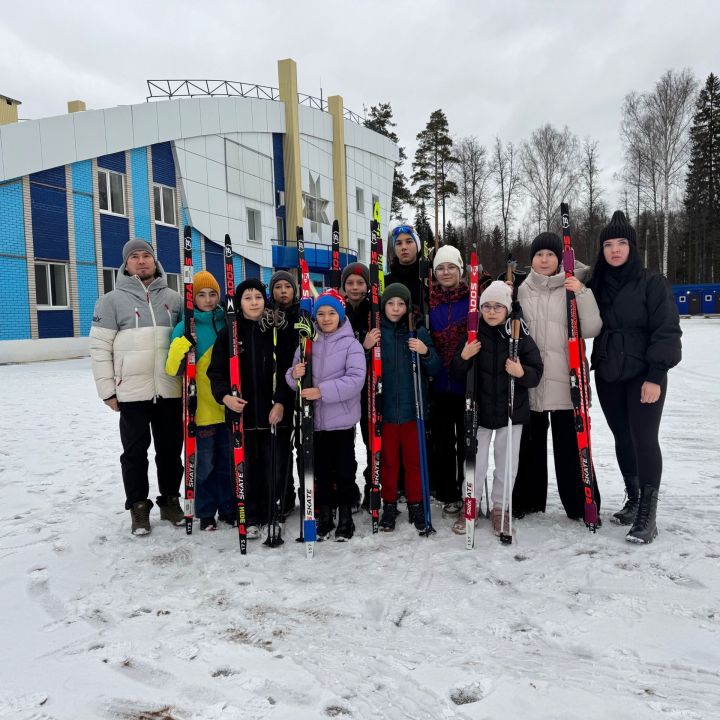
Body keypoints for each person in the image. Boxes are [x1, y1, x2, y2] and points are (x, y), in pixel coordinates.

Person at [589, 211, 682, 544]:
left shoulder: (651, 282)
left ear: (632, 247)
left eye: (621, 243)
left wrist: (656, 375)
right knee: (622, 436)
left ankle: (648, 514)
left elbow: (668, 330)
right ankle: (634, 497)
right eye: (609, 244)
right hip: (608, 371)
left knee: (644, 438)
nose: (615, 250)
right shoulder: (595, 282)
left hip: (643, 372)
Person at [90, 239, 184, 535]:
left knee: (170, 450)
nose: (142, 261)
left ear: (155, 262)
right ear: (126, 264)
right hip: (131, 391)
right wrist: (107, 390)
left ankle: (170, 500)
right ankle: (139, 507)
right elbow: (99, 348)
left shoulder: (175, 299)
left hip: (170, 389)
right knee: (134, 453)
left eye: (147, 256)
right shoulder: (110, 301)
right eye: (135, 257)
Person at [512, 232, 603, 521]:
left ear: (560, 259)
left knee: (570, 449)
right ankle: (528, 500)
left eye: (550, 254)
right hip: (531, 381)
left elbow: (592, 329)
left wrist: (582, 293)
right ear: (532, 259)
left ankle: (581, 504)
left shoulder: (572, 286)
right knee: (529, 447)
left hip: (567, 383)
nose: (544, 259)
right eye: (539, 254)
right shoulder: (521, 289)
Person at [451, 281, 543, 538]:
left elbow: (536, 372)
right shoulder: (472, 334)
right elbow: (456, 371)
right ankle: (470, 503)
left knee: (506, 464)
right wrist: (464, 356)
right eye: (487, 307)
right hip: (478, 412)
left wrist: (521, 371)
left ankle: (501, 509)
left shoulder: (518, 334)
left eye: (498, 307)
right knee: (475, 462)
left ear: (507, 309)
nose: (491, 312)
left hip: (511, 412)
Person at [207, 278, 295, 540]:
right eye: (248, 297)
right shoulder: (229, 333)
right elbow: (217, 372)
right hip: (243, 417)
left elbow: (289, 370)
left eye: (258, 296)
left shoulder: (277, 329)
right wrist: (225, 397)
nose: (254, 302)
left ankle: (272, 512)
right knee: (247, 468)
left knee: (274, 467)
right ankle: (250, 514)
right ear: (239, 302)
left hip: (273, 414)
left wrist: (281, 401)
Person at [286, 290, 366, 541]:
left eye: (332, 313)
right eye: (320, 313)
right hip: (315, 422)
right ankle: (325, 515)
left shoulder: (351, 344)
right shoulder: (307, 342)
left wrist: (321, 391)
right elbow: (292, 378)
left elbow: (355, 380)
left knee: (343, 472)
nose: (326, 318)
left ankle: (345, 517)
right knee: (320, 471)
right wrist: (294, 374)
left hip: (341, 422)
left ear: (340, 315)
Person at [166, 271, 234, 531]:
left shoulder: (228, 323)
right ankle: (205, 512)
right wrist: (179, 347)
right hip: (201, 409)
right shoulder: (186, 326)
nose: (207, 299)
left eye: (212, 294)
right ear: (192, 298)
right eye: (201, 295)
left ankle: (228, 507)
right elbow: (172, 369)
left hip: (227, 406)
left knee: (228, 463)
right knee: (204, 465)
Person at [377, 284, 441, 533]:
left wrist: (425, 352)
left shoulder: (417, 332)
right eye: (391, 304)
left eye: (400, 304)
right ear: (384, 306)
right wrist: (366, 346)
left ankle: (416, 503)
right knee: (389, 462)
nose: (395, 309)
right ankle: (389, 504)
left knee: (414, 461)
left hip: (413, 411)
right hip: (388, 413)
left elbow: (434, 368)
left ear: (407, 307)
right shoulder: (378, 332)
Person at [428, 245, 469, 517]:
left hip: (466, 383)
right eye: (440, 268)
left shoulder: (473, 298)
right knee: (442, 442)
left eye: (451, 267)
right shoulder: (428, 301)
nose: (445, 272)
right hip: (439, 383)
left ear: (460, 270)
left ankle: (468, 490)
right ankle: (447, 492)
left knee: (467, 442)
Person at [342, 262, 377, 512]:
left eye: (360, 282)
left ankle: (373, 485)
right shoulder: (336, 310)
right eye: (350, 283)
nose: (355, 287)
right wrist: (360, 345)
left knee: (370, 438)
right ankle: (347, 491)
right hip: (342, 386)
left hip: (369, 389)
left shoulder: (373, 310)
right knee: (344, 441)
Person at [268, 270, 300, 516]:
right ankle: (284, 495)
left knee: (303, 445)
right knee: (280, 447)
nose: (282, 292)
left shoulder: (302, 314)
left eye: (287, 287)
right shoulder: (267, 318)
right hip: (276, 391)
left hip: (298, 387)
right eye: (278, 287)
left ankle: (308, 492)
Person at [384, 222, 426, 324]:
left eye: (409, 241)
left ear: (417, 245)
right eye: (398, 243)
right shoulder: (386, 281)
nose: (404, 247)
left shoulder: (427, 278)